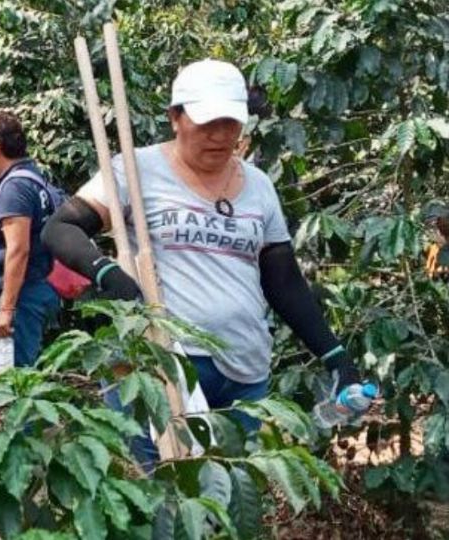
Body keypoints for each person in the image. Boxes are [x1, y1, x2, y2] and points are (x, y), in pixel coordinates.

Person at [42, 59, 365, 467]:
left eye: (231, 123)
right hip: (162, 362)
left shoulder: (259, 185)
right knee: (165, 492)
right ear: (175, 117)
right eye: (207, 122)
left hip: (245, 372)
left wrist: (337, 357)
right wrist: (109, 273)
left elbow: (284, 282)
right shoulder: (135, 169)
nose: (220, 136)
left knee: (228, 499)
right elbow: (61, 228)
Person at [0, 110, 62, 368]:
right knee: (7, 364)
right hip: (33, 291)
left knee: (14, 376)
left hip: (25, 294)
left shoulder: (15, 187)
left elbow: (18, 249)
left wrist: (7, 309)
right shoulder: (33, 178)